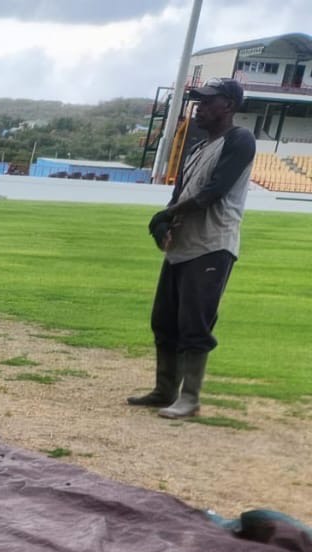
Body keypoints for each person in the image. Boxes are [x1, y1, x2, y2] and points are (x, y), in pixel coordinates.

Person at [129, 77, 254, 420]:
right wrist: (163, 225)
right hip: (181, 248)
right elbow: (180, 197)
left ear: (228, 105)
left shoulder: (239, 140)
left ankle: (190, 398)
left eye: (207, 102)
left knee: (194, 325)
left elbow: (213, 193)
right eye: (198, 101)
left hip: (212, 246)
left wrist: (166, 214)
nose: (199, 107)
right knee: (164, 321)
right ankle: (165, 389)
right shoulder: (197, 147)